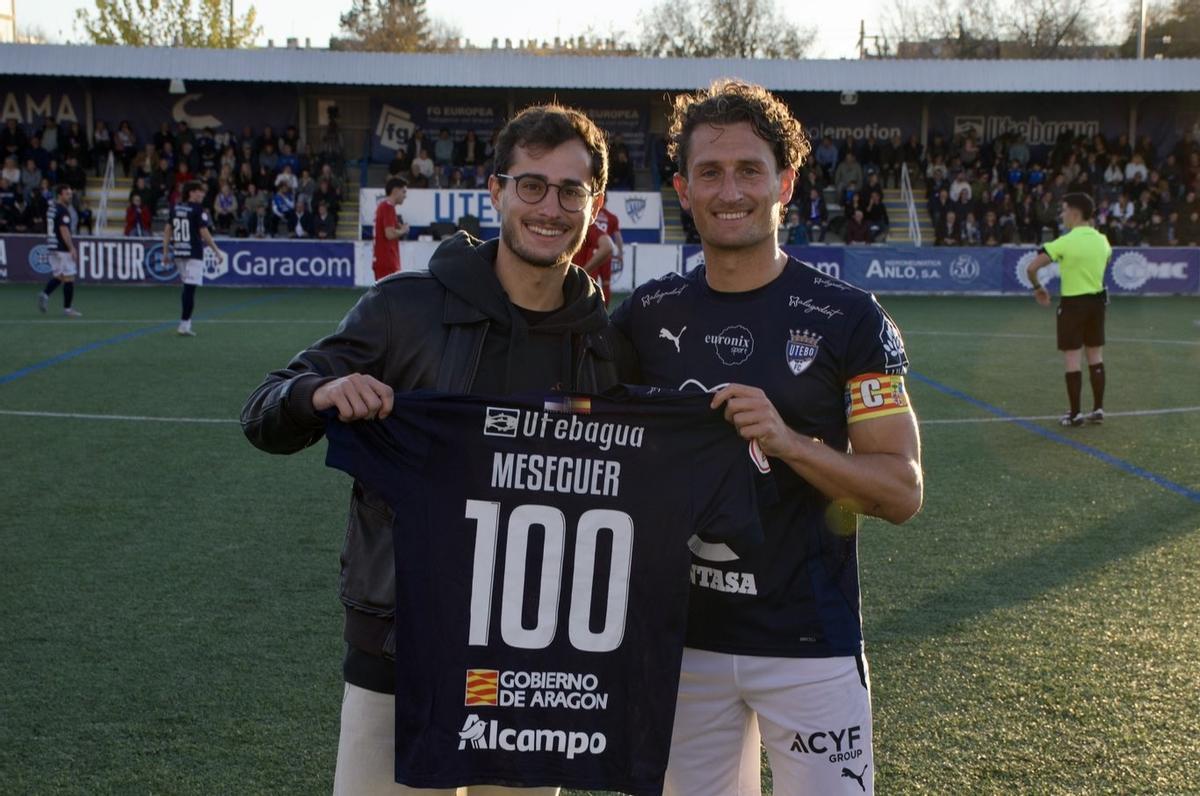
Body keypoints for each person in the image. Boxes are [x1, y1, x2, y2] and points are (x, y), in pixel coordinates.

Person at [241, 103, 632, 796]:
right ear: (495, 192)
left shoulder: (603, 339)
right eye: (531, 185)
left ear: (594, 203)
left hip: (534, 663)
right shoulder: (407, 307)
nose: (551, 207)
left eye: (571, 190)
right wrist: (317, 396)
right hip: (402, 645)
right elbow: (266, 408)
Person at [612, 78, 924, 796]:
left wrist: (789, 443)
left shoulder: (849, 318)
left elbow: (902, 492)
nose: (731, 190)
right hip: (682, 644)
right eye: (710, 172)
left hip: (808, 644)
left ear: (784, 182)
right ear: (683, 190)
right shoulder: (644, 316)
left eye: (750, 170)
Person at [1025, 192, 1113, 426]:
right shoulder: (1102, 241)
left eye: (1064, 210)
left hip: (1073, 304)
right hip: (1097, 303)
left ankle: (1075, 414)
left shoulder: (1064, 241)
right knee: (1095, 356)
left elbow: (1032, 268)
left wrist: (1038, 288)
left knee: (1073, 358)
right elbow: (1104, 263)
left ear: (1074, 213)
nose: (1062, 215)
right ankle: (1098, 409)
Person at [163, 180, 221, 337]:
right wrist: (216, 251)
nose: (202, 194)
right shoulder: (197, 209)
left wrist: (165, 251)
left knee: (187, 288)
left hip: (179, 252)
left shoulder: (175, 207)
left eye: (202, 191)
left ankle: (184, 323)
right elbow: (204, 232)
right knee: (190, 289)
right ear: (191, 193)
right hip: (194, 253)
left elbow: (168, 229)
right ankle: (184, 324)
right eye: (198, 191)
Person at [37, 184, 83, 317]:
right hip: (62, 248)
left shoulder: (52, 208)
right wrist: (71, 248)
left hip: (52, 246)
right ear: (60, 195)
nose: (70, 196)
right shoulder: (63, 210)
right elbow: (64, 230)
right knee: (69, 277)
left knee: (59, 276)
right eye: (67, 194)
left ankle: (45, 294)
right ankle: (68, 309)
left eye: (70, 194)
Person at [372, 177, 409, 281]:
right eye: (404, 192)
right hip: (386, 261)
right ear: (395, 191)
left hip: (383, 260)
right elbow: (389, 234)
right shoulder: (388, 207)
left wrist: (399, 228)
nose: (405, 196)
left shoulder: (384, 207)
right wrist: (403, 230)